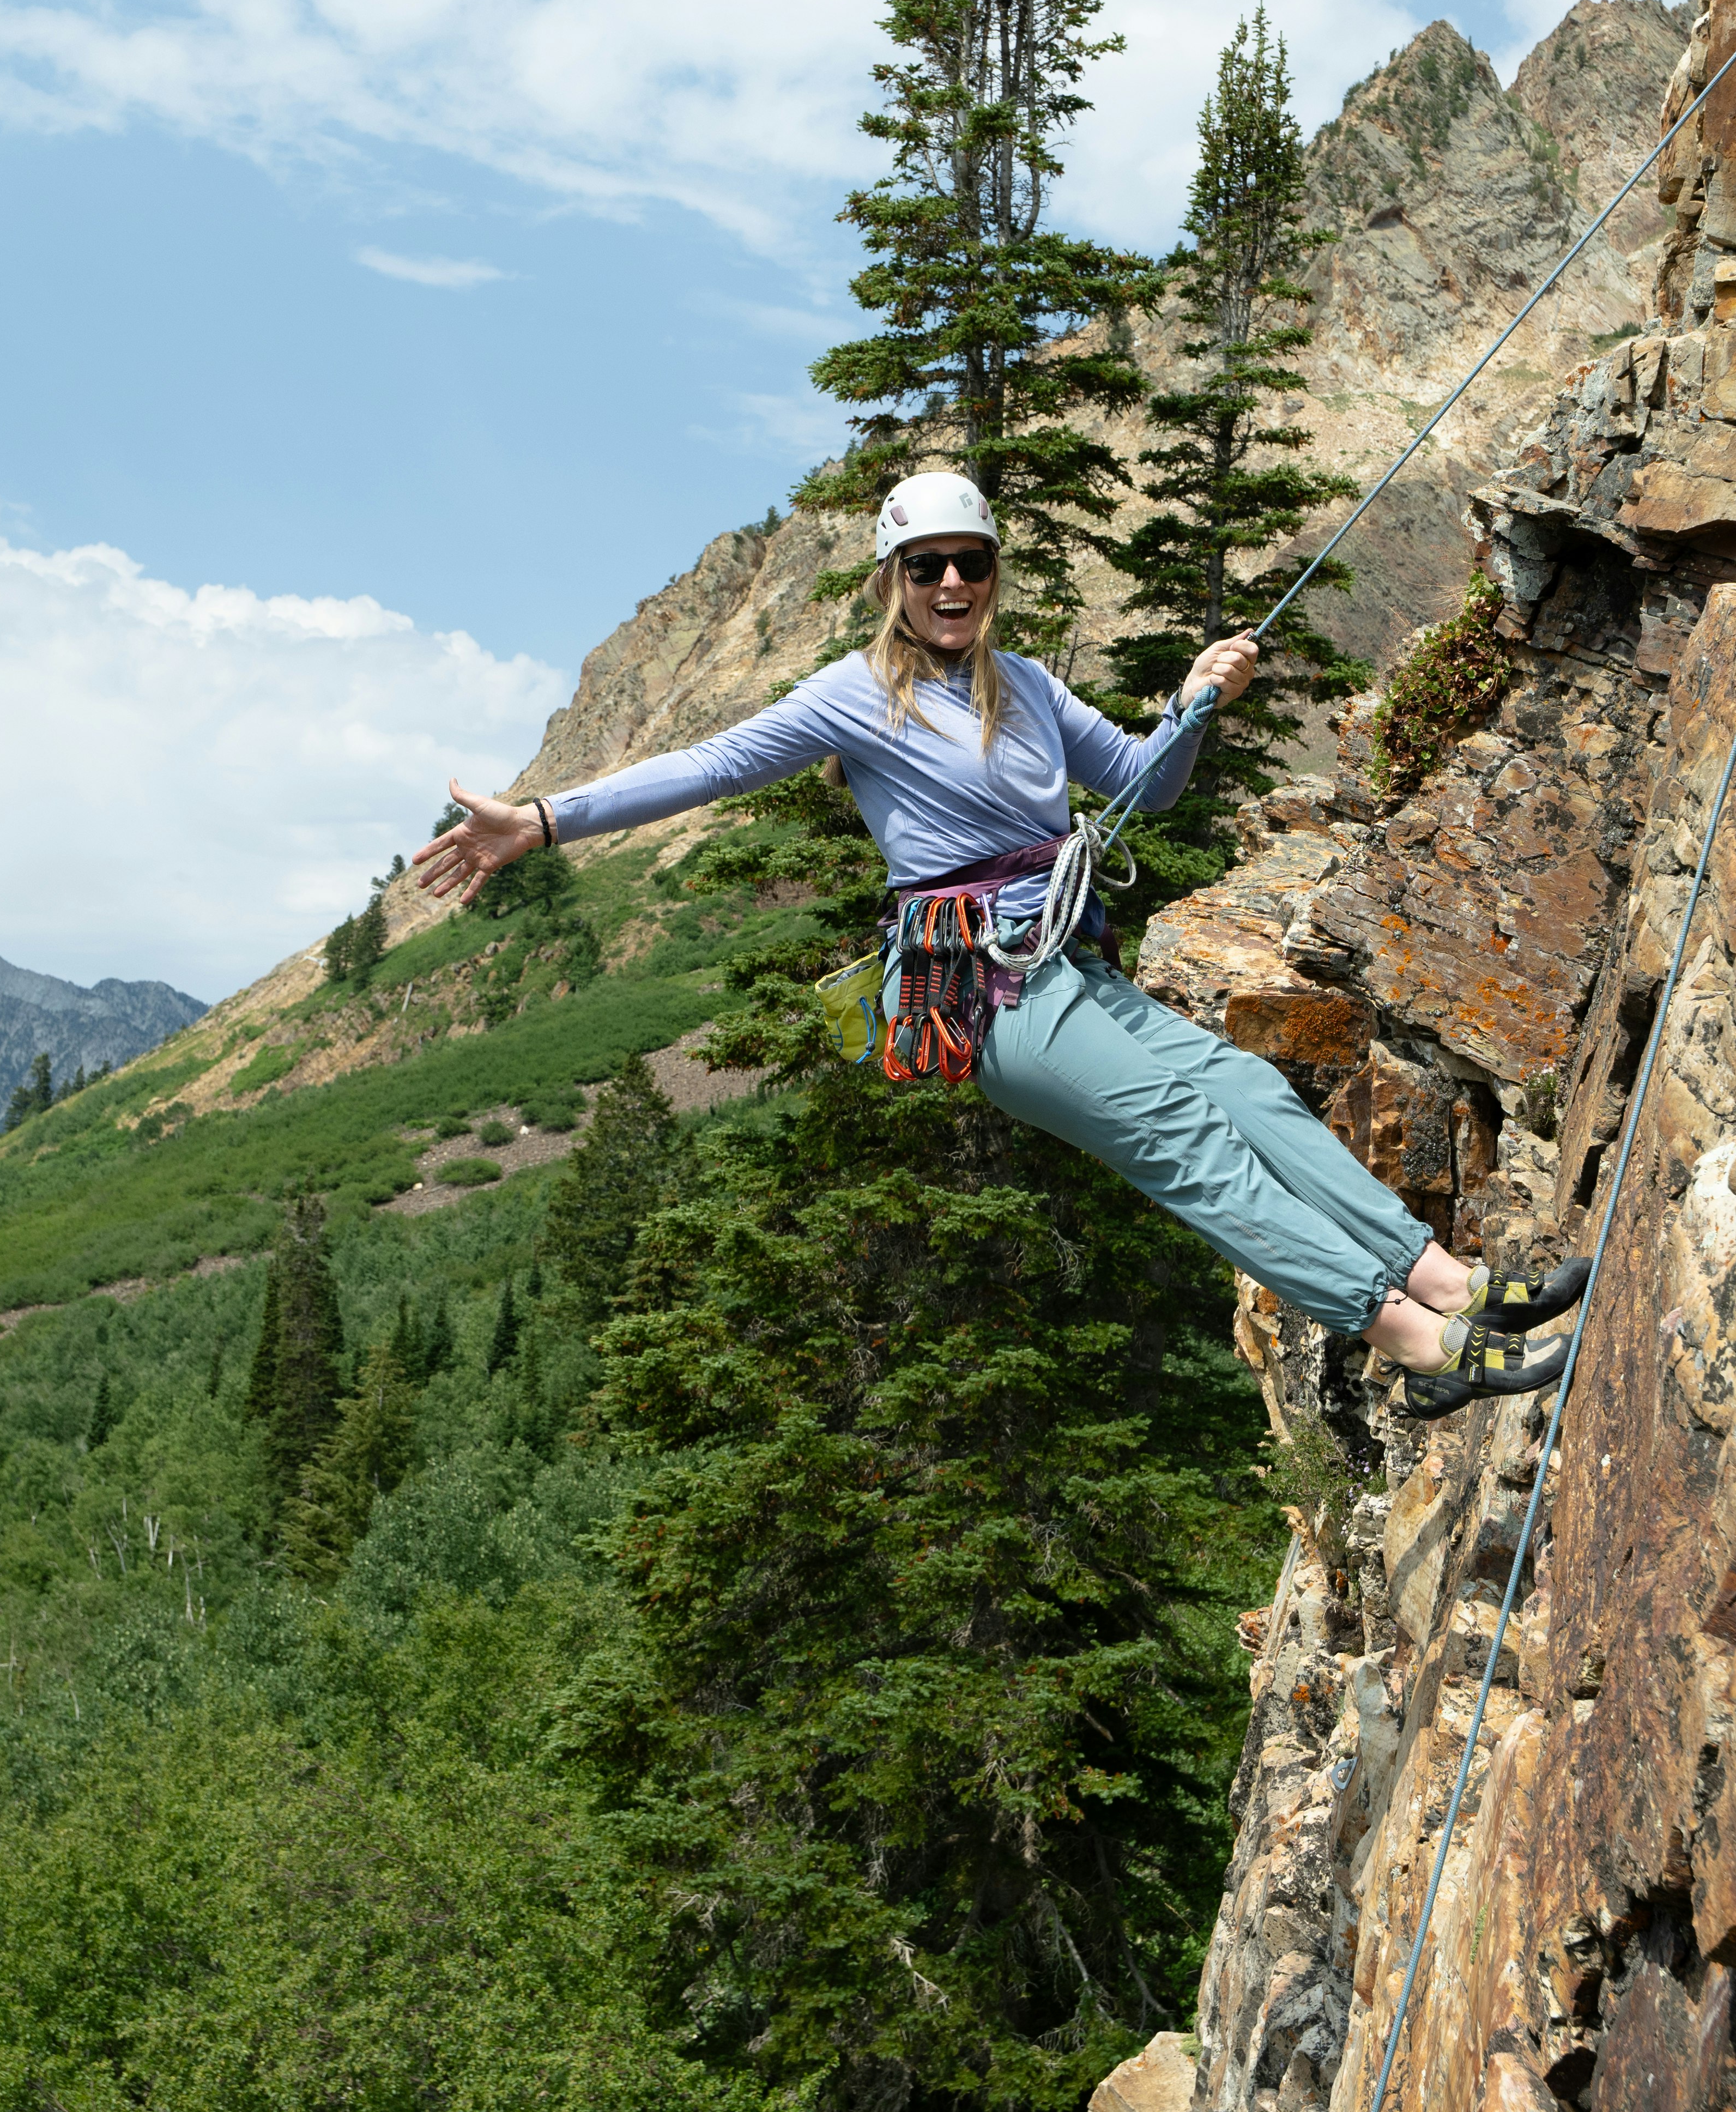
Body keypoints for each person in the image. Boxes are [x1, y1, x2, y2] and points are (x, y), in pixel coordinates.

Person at [411, 470, 1587, 1415]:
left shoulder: (1020, 683)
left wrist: (1192, 702)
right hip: (998, 997)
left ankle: (1454, 1281)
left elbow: (1140, 787)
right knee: (1191, 1144)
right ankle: (1415, 1341)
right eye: (929, 568)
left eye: (972, 563)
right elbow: (710, 764)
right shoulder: (853, 696)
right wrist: (546, 818)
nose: (954, 583)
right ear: (895, 580)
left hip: (1069, 964)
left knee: (1246, 1092)